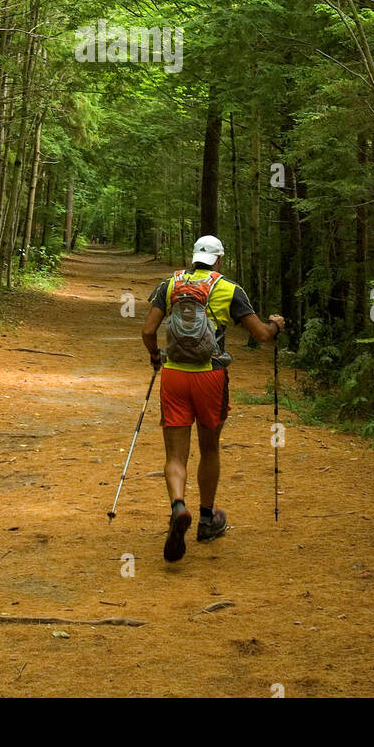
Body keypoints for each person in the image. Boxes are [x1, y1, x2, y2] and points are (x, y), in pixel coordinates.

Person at [141, 234, 284, 562]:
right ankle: (206, 520)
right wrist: (276, 325)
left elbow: (148, 332)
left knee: (176, 456)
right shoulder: (230, 290)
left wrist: (155, 357)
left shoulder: (169, 286)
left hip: (174, 376)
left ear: (194, 257)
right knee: (209, 449)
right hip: (211, 377)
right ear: (219, 259)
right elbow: (260, 335)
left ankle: (178, 506)